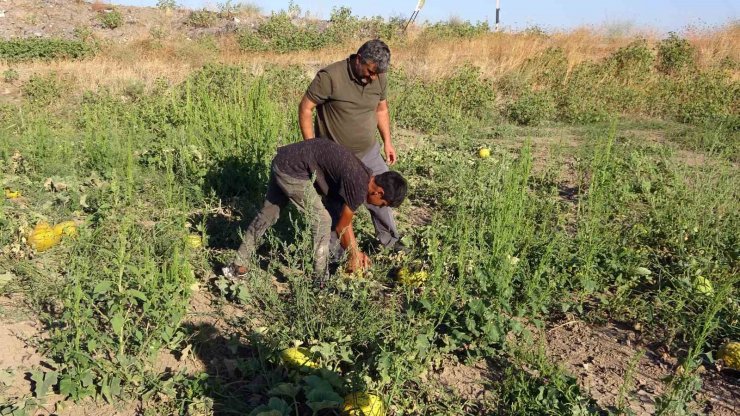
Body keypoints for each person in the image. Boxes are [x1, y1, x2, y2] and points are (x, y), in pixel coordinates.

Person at [223, 138, 408, 283]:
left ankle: (237, 264)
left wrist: (355, 252)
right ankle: (320, 281)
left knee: (268, 215)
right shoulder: (359, 185)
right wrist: (354, 255)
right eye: (382, 203)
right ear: (379, 191)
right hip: (293, 171)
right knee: (322, 220)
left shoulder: (363, 173)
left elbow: (344, 221)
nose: (378, 206)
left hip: (284, 160)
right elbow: (342, 226)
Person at [298, 39, 404, 254]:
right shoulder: (330, 77)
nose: (372, 77)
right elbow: (306, 108)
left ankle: (390, 241)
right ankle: (334, 254)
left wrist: (387, 142)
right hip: (335, 158)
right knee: (337, 205)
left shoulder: (379, 78)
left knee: (382, 197)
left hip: (369, 151)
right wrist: (311, 150)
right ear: (359, 59)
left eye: (377, 74)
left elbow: (381, 110)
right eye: (370, 71)